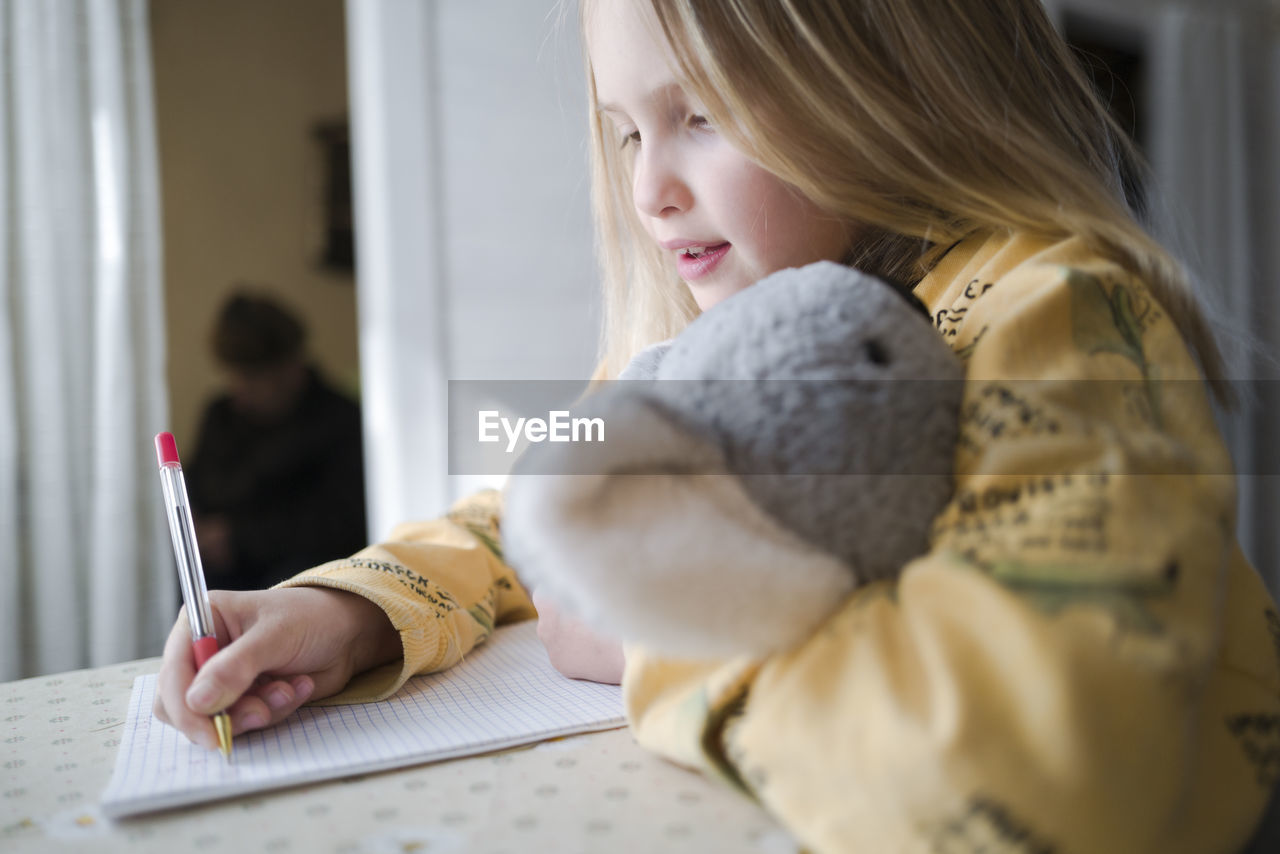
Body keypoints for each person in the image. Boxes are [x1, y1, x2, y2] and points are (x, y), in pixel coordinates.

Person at [155, 1, 1280, 850]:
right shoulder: (716, 338)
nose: (647, 192)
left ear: (892, 81)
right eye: (624, 133)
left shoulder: (1053, 312)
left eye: (698, 114)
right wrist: (348, 611)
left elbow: (1049, 759)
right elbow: (541, 501)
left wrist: (656, 641)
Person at [184, 291, 367, 591]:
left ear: (290, 367)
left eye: (252, 377)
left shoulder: (340, 420)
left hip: (297, 573)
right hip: (225, 567)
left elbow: (340, 525)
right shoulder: (221, 415)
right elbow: (198, 484)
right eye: (234, 375)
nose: (240, 391)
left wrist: (240, 538)